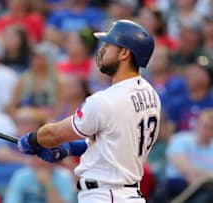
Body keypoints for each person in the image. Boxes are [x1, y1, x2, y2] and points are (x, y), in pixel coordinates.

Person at [17, 19, 161, 203]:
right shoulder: (151, 94)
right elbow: (116, 140)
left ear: (124, 53)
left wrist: (31, 140)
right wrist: (70, 148)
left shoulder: (106, 100)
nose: (101, 50)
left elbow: (53, 134)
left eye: (109, 45)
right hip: (128, 194)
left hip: (105, 195)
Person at [163, 108, 213, 201]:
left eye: (211, 128)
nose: (206, 130)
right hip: (178, 183)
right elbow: (182, 166)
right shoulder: (180, 139)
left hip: (208, 188)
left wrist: (202, 178)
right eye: (204, 126)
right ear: (197, 124)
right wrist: (206, 176)